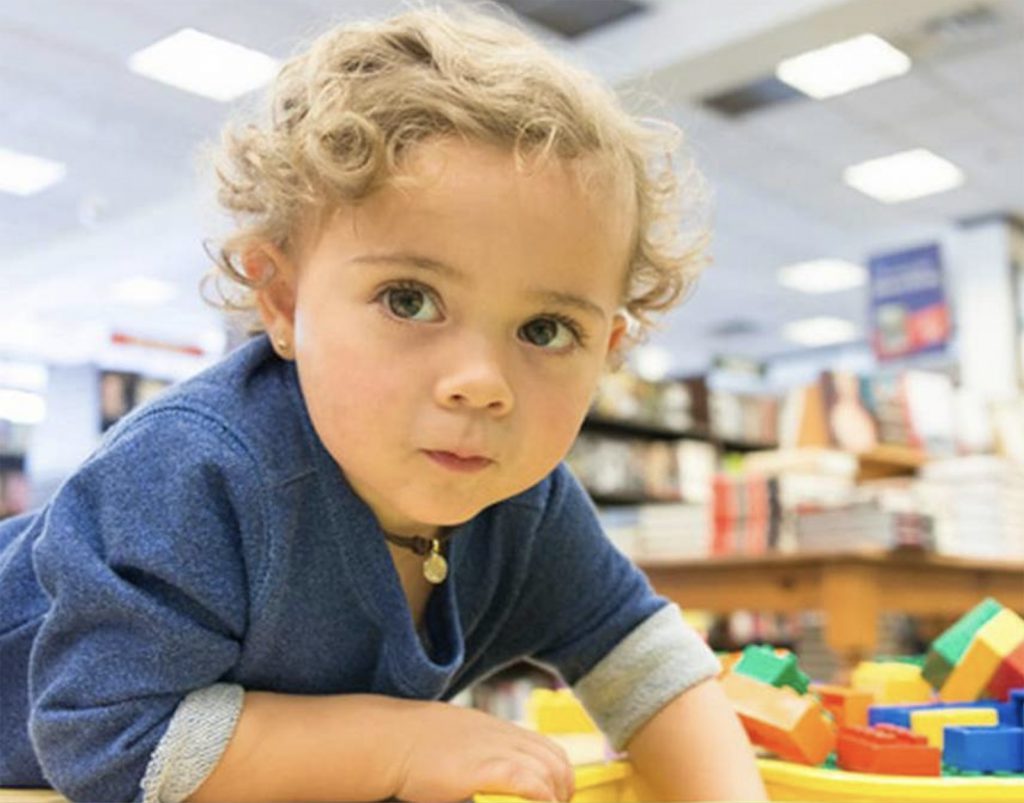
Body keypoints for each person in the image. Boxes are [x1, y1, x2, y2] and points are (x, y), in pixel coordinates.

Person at [0, 6, 767, 802]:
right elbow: (109, 741)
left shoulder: (528, 508)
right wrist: (402, 744)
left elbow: (644, 658)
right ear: (283, 302)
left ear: (609, 352)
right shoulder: (193, 471)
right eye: (409, 299)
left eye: (546, 327)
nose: (481, 380)